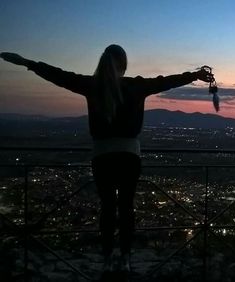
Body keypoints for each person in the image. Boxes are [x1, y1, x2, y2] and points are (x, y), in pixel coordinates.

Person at [0, 45, 214, 275]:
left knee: (108, 209)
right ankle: (125, 258)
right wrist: (196, 75)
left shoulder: (92, 86)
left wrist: (27, 63)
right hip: (130, 156)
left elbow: (59, 76)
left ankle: (107, 257)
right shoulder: (136, 86)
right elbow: (166, 81)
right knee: (126, 208)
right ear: (124, 64)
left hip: (102, 157)